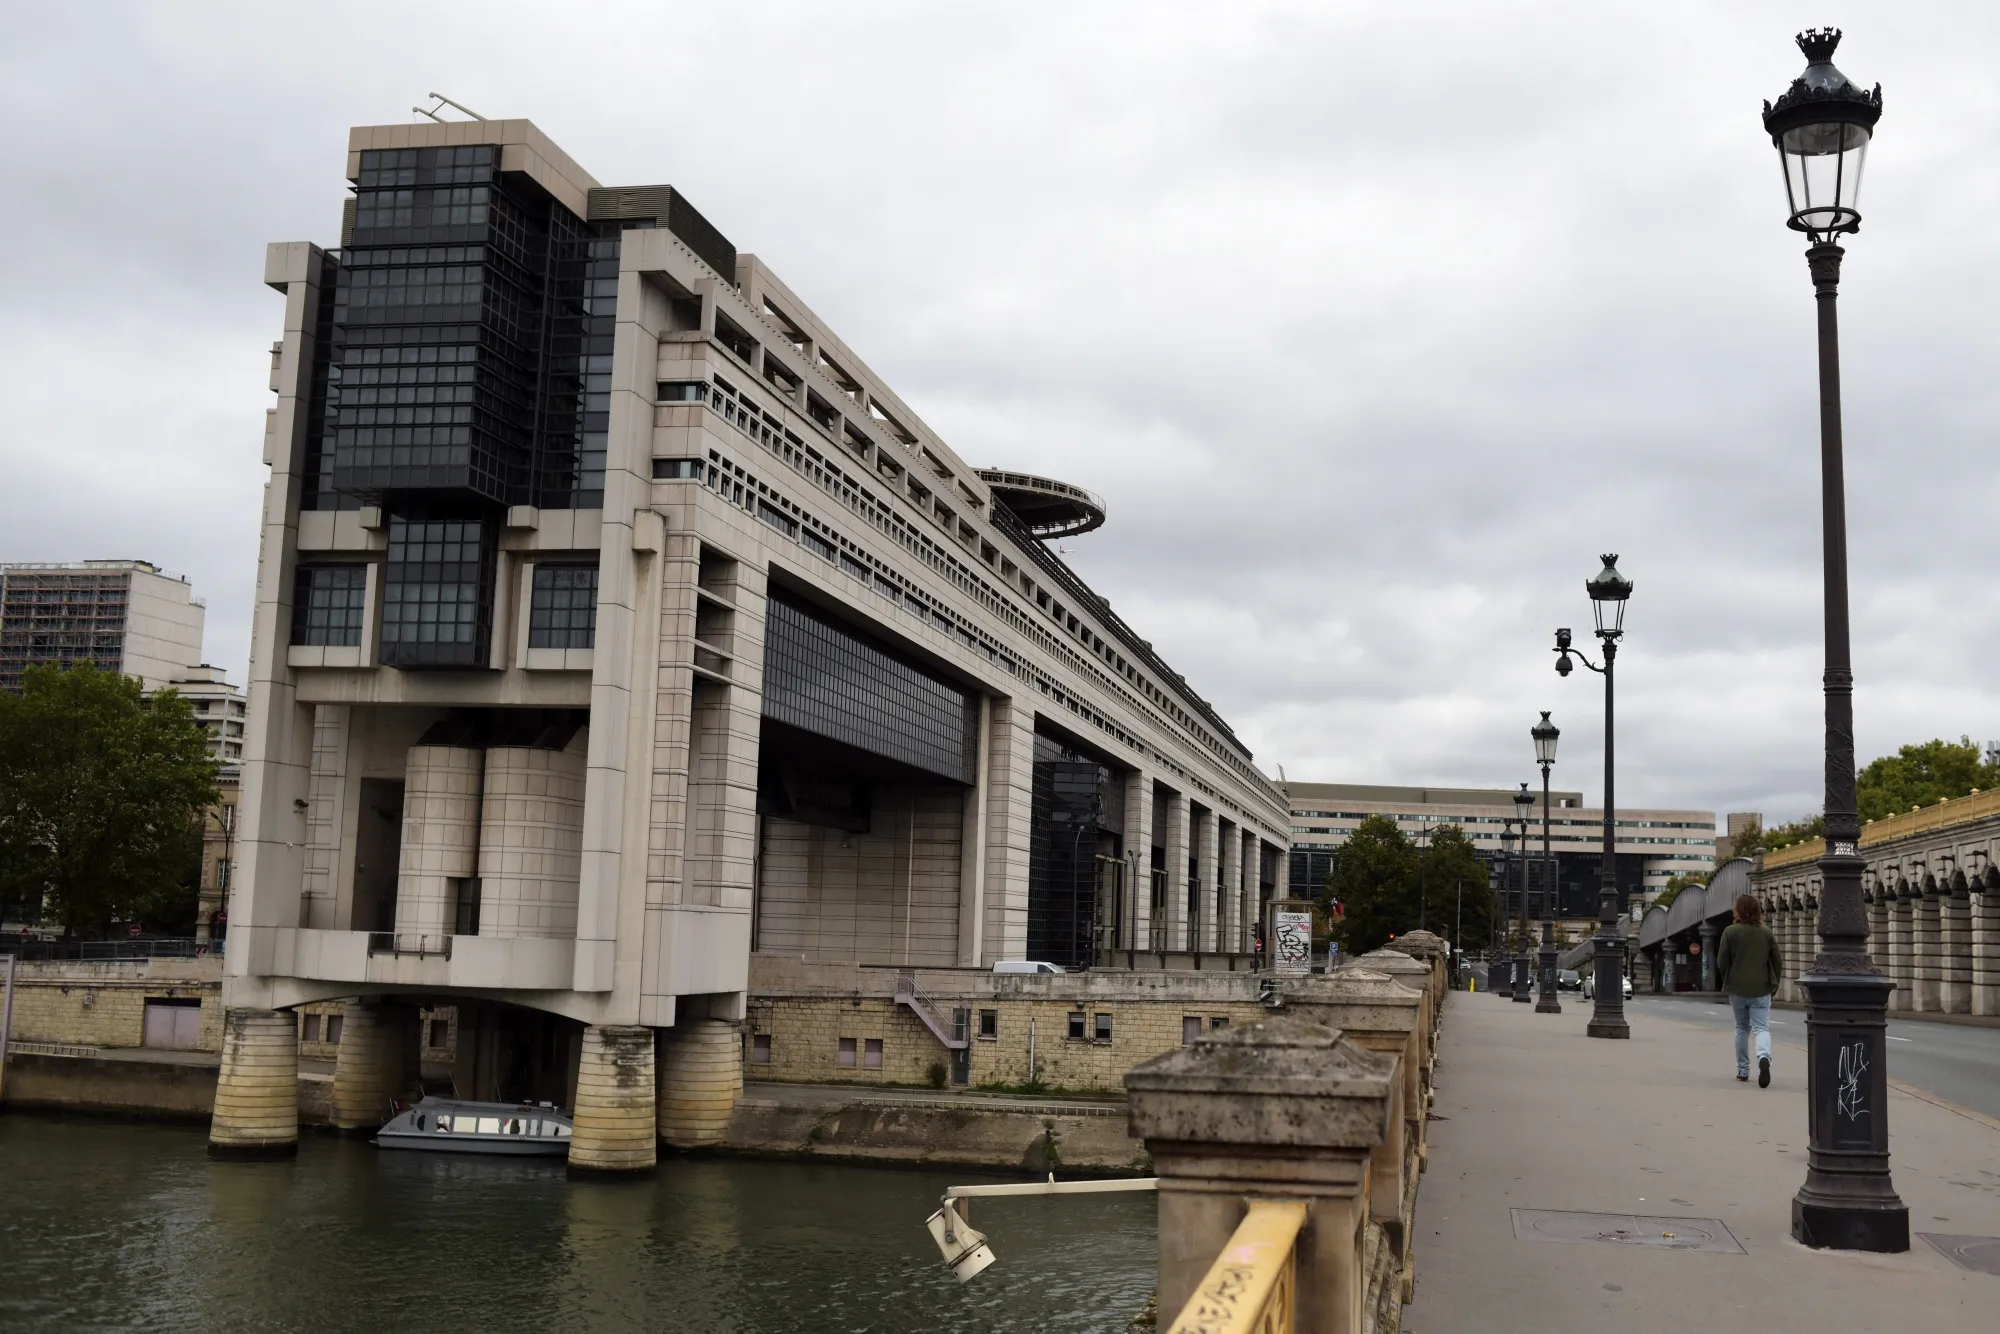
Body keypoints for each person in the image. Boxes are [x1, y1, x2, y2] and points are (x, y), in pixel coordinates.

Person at [1715, 893, 1783, 1087]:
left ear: (1738, 910)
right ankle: (1764, 1057)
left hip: (1737, 988)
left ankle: (1743, 1071)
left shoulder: (1729, 932)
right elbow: (1777, 961)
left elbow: (1721, 961)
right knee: (1761, 1027)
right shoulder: (1766, 933)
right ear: (1757, 911)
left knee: (1741, 1028)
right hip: (1761, 988)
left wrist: (1729, 975)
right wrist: (1774, 982)